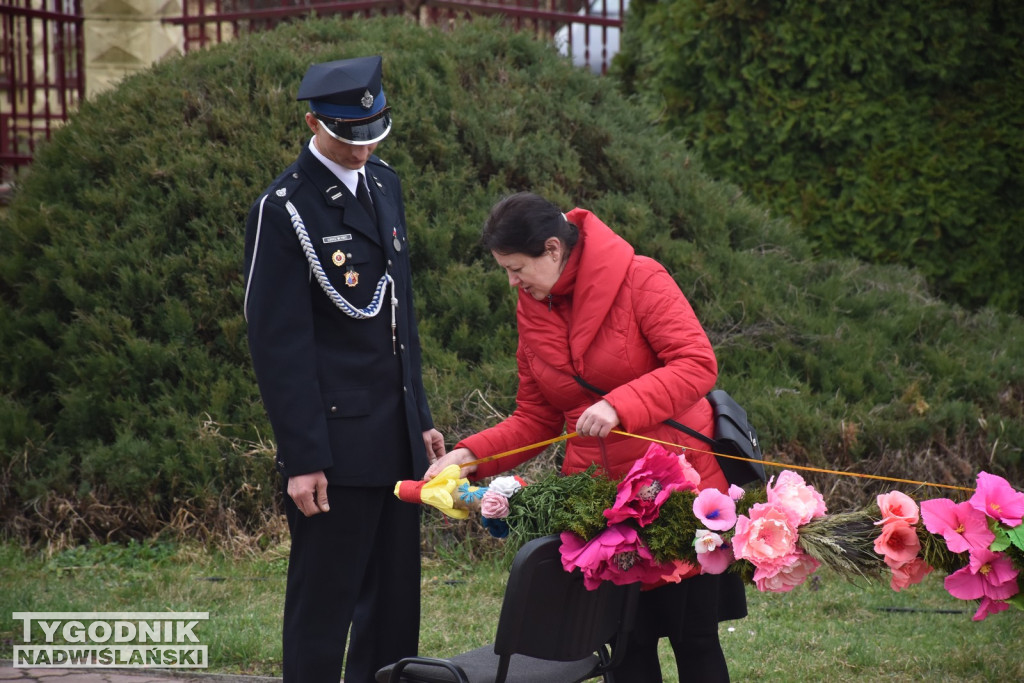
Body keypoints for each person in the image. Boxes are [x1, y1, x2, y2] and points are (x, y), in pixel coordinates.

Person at [426, 192, 746, 682]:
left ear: (553, 249)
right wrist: (470, 454)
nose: (512, 282)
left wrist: (621, 404)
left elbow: (696, 364)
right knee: (623, 648)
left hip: (678, 492)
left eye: (516, 268)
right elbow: (536, 417)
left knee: (693, 640)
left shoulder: (642, 277)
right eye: (505, 271)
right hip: (600, 504)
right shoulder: (531, 306)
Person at [243, 55, 444, 683]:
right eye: (347, 136)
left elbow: (399, 319)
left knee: (392, 609)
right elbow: (280, 345)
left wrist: (422, 420)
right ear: (312, 123)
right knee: (324, 607)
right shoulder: (285, 208)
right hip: (333, 444)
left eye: (372, 134)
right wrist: (302, 456)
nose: (361, 149)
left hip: (394, 436)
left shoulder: (385, 183)